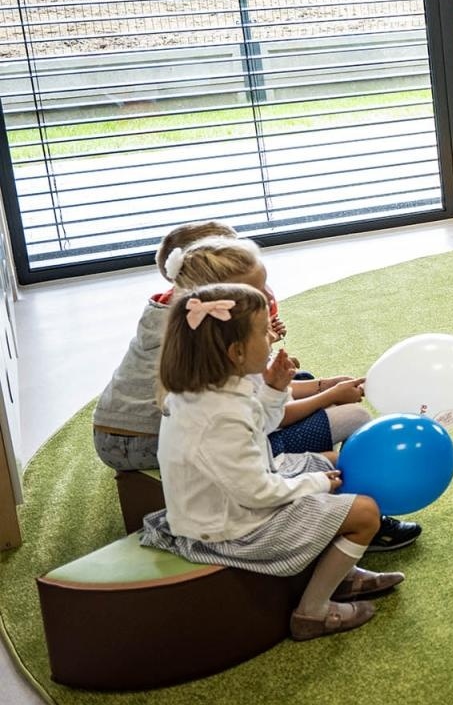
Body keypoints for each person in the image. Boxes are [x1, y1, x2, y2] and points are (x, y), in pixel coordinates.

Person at [93, 233, 422, 551]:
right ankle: (350, 520)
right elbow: (255, 440)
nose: (267, 296)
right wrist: (328, 394)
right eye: (256, 291)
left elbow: (257, 398)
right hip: (151, 448)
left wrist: (305, 383)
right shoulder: (217, 395)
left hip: (190, 440)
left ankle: (335, 499)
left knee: (300, 384)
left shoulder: (197, 329)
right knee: (353, 418)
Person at [140, 284, 403, 641]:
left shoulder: (208, 388)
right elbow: (258, 492)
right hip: (230, 530)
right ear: (235, 351)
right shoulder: (221, 414)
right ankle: (313, 612)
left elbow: (258, 427)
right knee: (365, 513)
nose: (271, 337)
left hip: (225, 503)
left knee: (333, 464)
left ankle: (340, 572)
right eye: (264, 332)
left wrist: (275, 389)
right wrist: (318, 485)